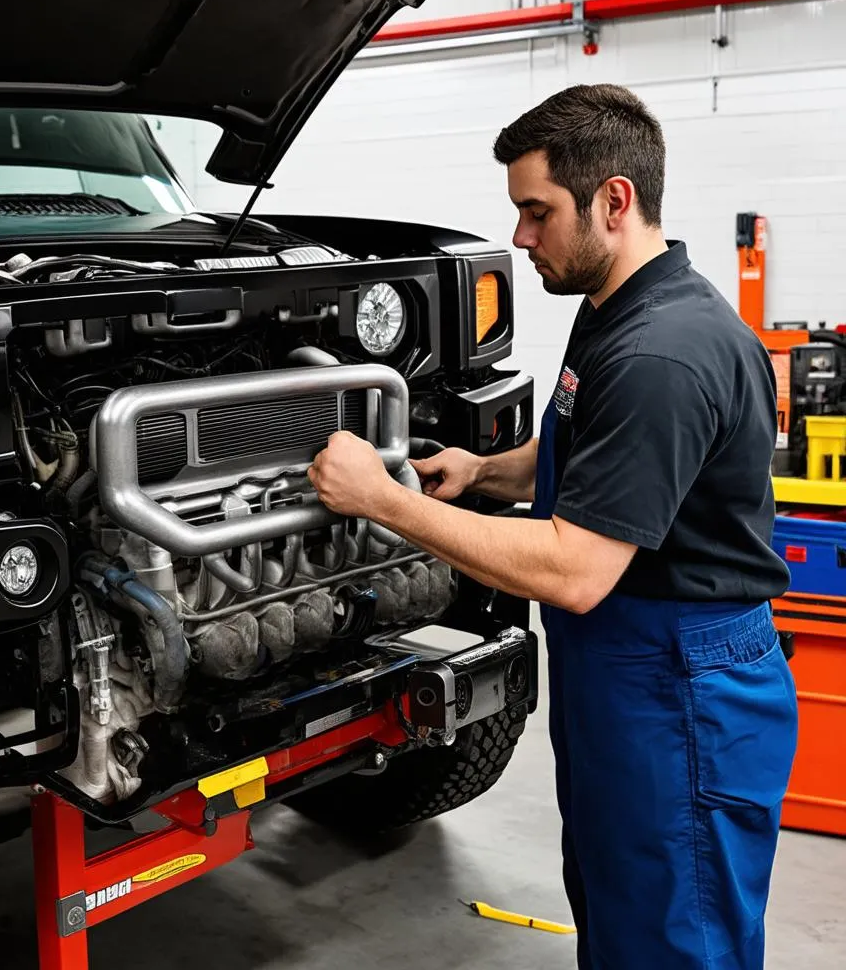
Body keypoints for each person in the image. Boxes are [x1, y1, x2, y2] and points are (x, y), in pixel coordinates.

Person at [307, 83, 799, 969]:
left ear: (614, 200)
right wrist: (486, 472)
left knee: (675, 936)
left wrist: (387, 504)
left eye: (537, 212)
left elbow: (576, 568)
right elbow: (587, 445)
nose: (521, 238)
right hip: (628, 670)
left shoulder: (664, 355)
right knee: (621, 909)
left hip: (679, 684)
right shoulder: (620, 306)